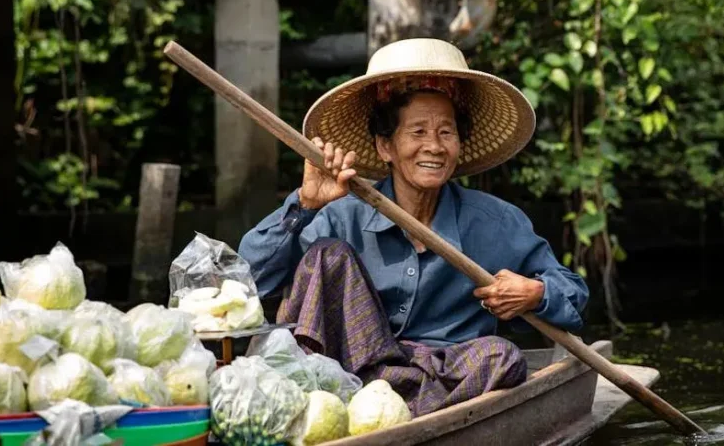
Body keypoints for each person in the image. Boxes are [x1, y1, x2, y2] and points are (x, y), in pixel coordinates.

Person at [239, 38, 589, 416]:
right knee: (326, 255)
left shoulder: (497, 222)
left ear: (459, 143)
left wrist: (535, 294)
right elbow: (248, 282)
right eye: (418, 132)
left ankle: (407, 419)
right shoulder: (342, 214)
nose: (434, 147)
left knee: (501, 356)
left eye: (446, 132)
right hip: (349, 369)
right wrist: (305, 205)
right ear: (385, 146)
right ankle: (366, 409)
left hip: (441, 374)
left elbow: (573, 294)